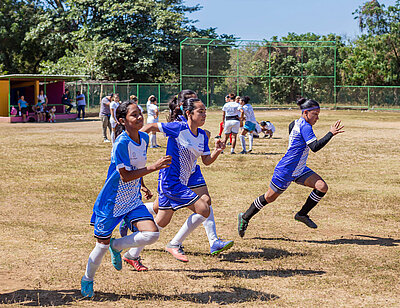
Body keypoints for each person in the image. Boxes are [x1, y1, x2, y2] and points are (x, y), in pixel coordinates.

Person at [80, 100, 172, 298]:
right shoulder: (121, 143)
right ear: (122, 120)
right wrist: (155, 167)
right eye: (134, 115)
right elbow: (125, 176)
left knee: (152, 235)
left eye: (140, 113)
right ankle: (88, 279)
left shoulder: (145, 139)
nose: (139, 117)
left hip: (132, 199)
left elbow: (136, 168)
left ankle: (117, 245)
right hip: (112, 202)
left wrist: (143, 186)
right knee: (100, 246)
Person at [130, 90, 233, 263]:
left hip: (186, 178)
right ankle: (175, 243)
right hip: (171, 181)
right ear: (188, 111)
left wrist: (218, 150)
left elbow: (206, 161)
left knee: (161, 221)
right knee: (204, 208)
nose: (204, 115)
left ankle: (131, 252)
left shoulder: (202, 135)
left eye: (205, 112)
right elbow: (153, 127)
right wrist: (135, 142)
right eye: (201, 111)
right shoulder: (178, 127)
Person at [237, 98, 344, 238]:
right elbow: (315, 147)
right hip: (286, 170)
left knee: (321, 187)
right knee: (269, 197)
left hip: (299, 169)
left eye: (318, 114)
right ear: (305, 113)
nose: (317, 118)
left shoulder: (295, 123)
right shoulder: (305, 126)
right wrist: (331, 133)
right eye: (315, 114)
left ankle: (302, 214)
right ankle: (245, 217)